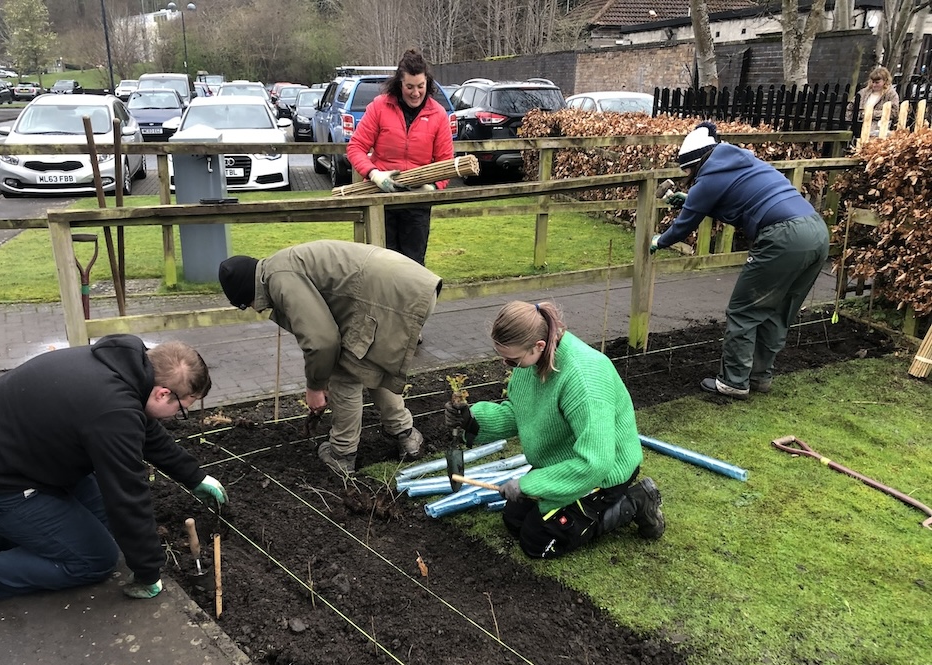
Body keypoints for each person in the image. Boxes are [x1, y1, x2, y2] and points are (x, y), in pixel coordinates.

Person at [0, 336, 228, 604]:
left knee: (99, 527)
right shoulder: (112, 412)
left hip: (13, 458)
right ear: (163, 394)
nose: (178, 416)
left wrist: (195, 476)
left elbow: (147, 432)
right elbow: (126, 496)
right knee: (95, 559)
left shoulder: (123, 368)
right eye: (182, 408)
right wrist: (149, 571)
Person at [444, 301, 664, 559]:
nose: (507, 364)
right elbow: (520, 412)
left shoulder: (584, 380)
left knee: (537, 542)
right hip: (563, 459)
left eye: (512, 360)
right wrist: (472, 420)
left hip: (602, 472)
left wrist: (528, 484)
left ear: (538, 346)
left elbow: (595, 463)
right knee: (514, 520)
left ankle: (635, 501)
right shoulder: (534, 361)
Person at [218, 240, 442, 476]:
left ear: (248, 293)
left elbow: (322, 341)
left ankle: (342, 454)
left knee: (344, 372)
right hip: (412, 287)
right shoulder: (280, 266)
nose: (255, 309)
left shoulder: (280, 280)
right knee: (371, 363)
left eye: (248, 305)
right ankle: (407, 436)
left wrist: (315, 386)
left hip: (396, 295)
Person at [651, 121, 829, 399]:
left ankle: (733, 381)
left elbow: (684, 226)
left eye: (688, 173)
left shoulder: (708, 177)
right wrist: (689, 199)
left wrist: (659, 241)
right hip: (816, 232)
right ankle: (759, 376)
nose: (688, 178)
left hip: (784, 236)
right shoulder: (742, 162)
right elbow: (740, 201)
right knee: (778, 309)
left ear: (697, 164)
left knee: (744, 310)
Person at [346, 48, 454, 266]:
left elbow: (445, 162)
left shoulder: (438, 114)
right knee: (382, 266)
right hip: (381, 200)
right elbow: (356, 146)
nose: (415, 93)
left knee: (413, 268)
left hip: (417, 204)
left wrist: (432, 187)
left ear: (428, 83)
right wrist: (374, 174)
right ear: (399, 83)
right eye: (409, 87)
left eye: (420, 86)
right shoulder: (379, 107)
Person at [850, 65, 900, 137]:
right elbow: (851, 107)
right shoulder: (863, 92)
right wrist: (851, 122)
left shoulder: (891, 94)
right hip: (859, 127)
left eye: (877, 82)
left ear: (885, 81)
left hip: (878, 129)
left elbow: (894, 112)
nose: (874, 85)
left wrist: (872, 114)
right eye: (872, 82)